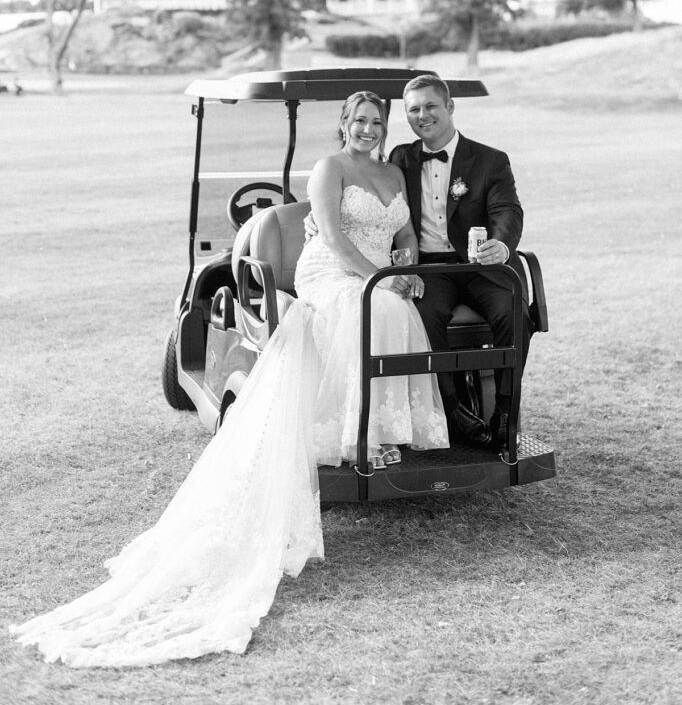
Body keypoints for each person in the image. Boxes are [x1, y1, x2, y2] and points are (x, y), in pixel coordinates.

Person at [10, 91, 448, 668]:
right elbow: (337, 241)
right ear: (344, 125)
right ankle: (358, 432)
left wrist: (406, 266)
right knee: (379, 308)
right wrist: (379, 279)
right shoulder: (329, 169)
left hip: (376, 275)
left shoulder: (392, 171)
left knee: (398, 309)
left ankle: (383, 431)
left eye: (376, 122)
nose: (368, 129)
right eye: (359, 121)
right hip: (333, 273)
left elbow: (405, 233)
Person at [390, 73, 534, 450]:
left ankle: (505, 412)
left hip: (480, 264)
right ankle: (452, 411)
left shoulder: (490, 160)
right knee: (421, 318)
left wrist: (502, 246)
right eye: (414, 109)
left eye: (431, 106)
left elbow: (507, 211)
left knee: (513, 311)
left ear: (450, 107)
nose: (423, 115)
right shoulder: (400, 159)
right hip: (430, 268)